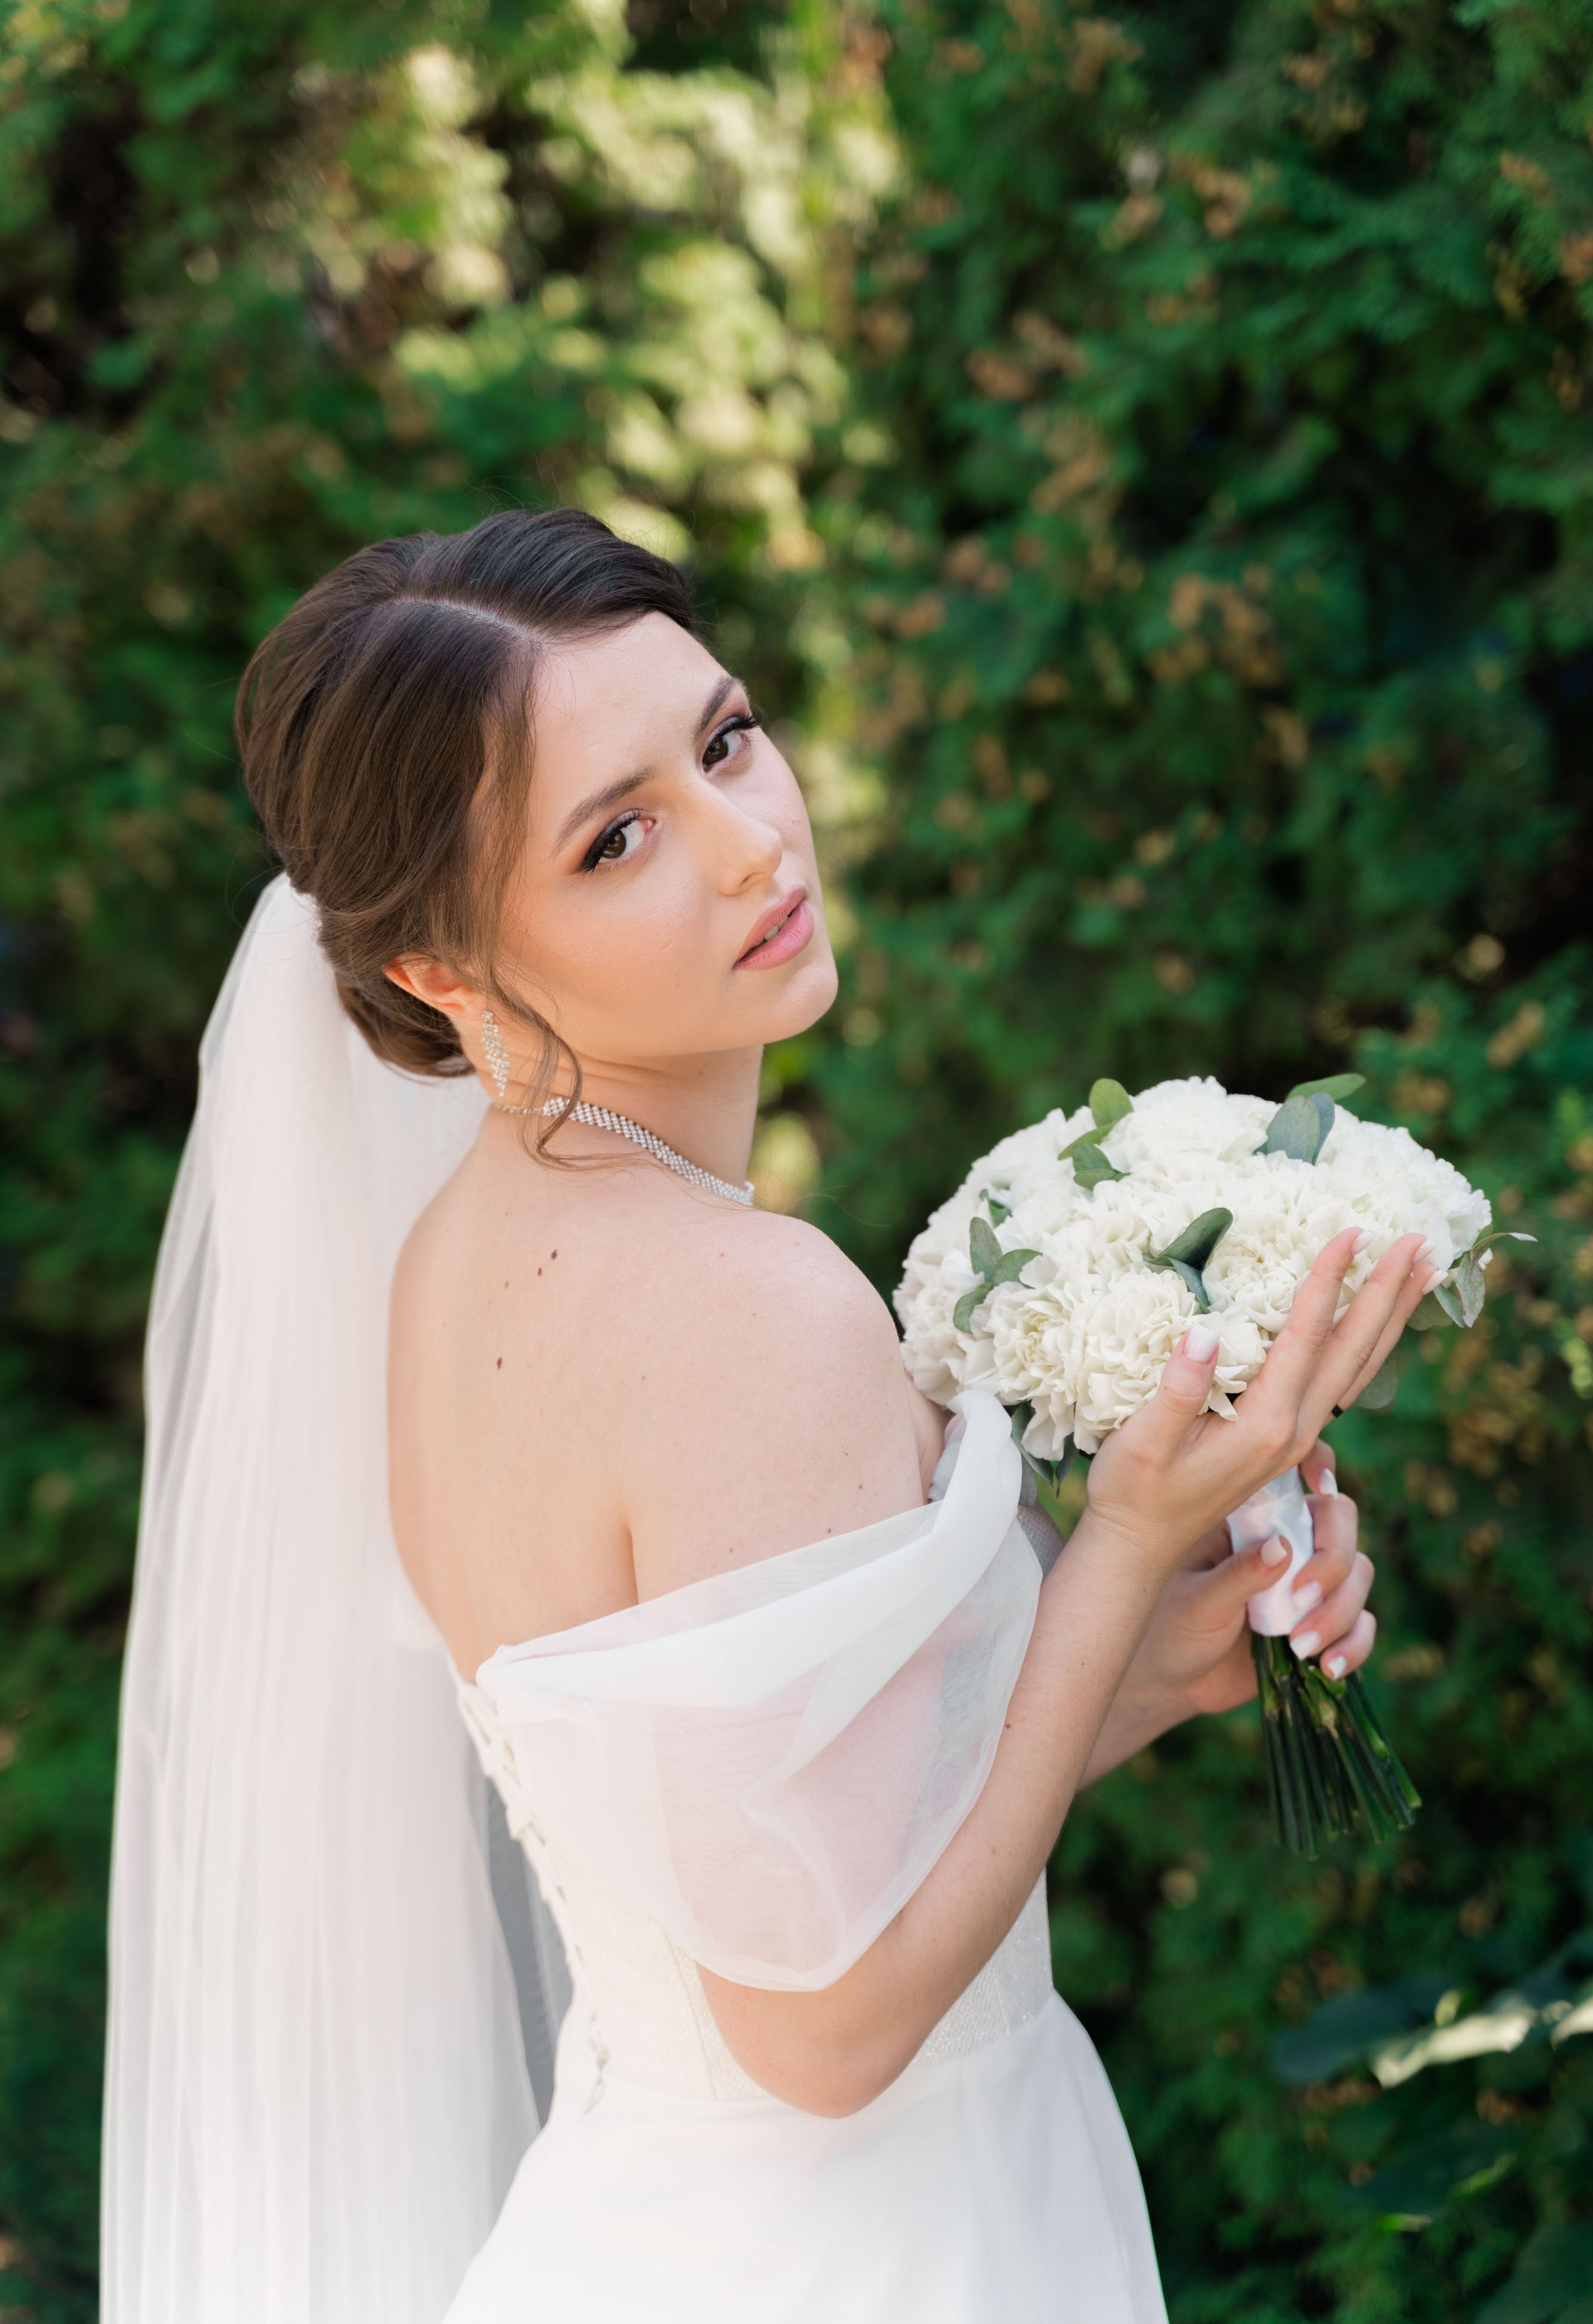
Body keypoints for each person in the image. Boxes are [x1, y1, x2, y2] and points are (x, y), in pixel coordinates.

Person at [101, 509, 1435, 2324]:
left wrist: (1142, 1666)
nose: (751, 843)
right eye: (617, 837)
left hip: (649, 2221)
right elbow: (824, 2029)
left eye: (725, 739)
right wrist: (1122, 1544)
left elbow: (768, 1855)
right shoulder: (741, 1302)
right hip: (875, 2245)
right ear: (441, 974)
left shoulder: (457, 1262)